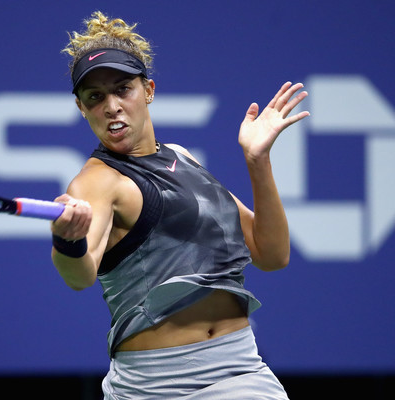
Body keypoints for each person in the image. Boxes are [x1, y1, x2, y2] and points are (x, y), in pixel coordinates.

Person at [50, 11, 309, 399]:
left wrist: (258, 162)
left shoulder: (182, 157)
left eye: (123, 89)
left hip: (241, 372)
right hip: (152, 386)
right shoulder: (97, 182)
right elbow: (79, 275)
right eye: (95, 97)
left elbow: (272, 254)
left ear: (148, 90)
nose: (112, 106)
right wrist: (67, 240)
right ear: (82, 108)